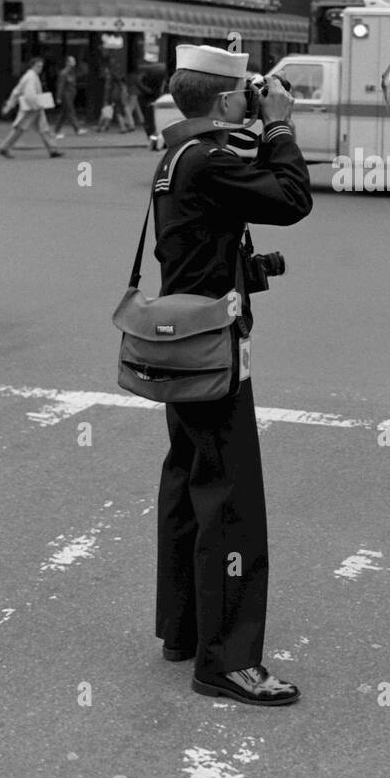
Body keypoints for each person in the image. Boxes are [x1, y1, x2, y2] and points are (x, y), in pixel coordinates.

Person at [153, 44, 312, 705]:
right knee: (231, 500)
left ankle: (184, 628)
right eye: (244, 90)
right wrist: (277, 125)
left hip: (182, 344)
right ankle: (227, 661)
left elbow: (197, 242)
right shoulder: (211, 158)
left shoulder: (179, 155)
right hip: (212, 349)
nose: (255, 94)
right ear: (222, 101)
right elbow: (292, 197)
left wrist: (248, 267)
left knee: (188, 482)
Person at [0, 57, 63, 159]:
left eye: (41, 66)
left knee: (43, 128)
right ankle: (5, 147)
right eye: (38, 66)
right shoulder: (31, 77)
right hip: (31, 108)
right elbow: (29, 95)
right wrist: (36, 105)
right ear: (32, 66)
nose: (40, 68)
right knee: (21, 128)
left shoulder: (29, 76)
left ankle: (53, 149)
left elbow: (16, 92)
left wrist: (10, 105)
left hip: (34, 107)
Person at [136, 59, 168, 145]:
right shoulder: (157, 72)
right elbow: (138, 81)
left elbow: (138, 81)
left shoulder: (153, 71)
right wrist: (148, 91)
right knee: (150, 118)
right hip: (150, 97)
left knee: (149, 119)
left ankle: (152, 137)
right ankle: (153, 137)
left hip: (150, 97)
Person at [53, 56, 86, 137]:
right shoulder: (64, 73)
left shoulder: (71, 72)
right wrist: (59, 97)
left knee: (64, 114)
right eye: (72, 61)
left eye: (74, 61)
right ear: (67, 62)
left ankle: (56, 130)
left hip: (70, 94)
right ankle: (77, 129)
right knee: (71, 111)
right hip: (66, 95)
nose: (74, 62)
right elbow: (60, 85)